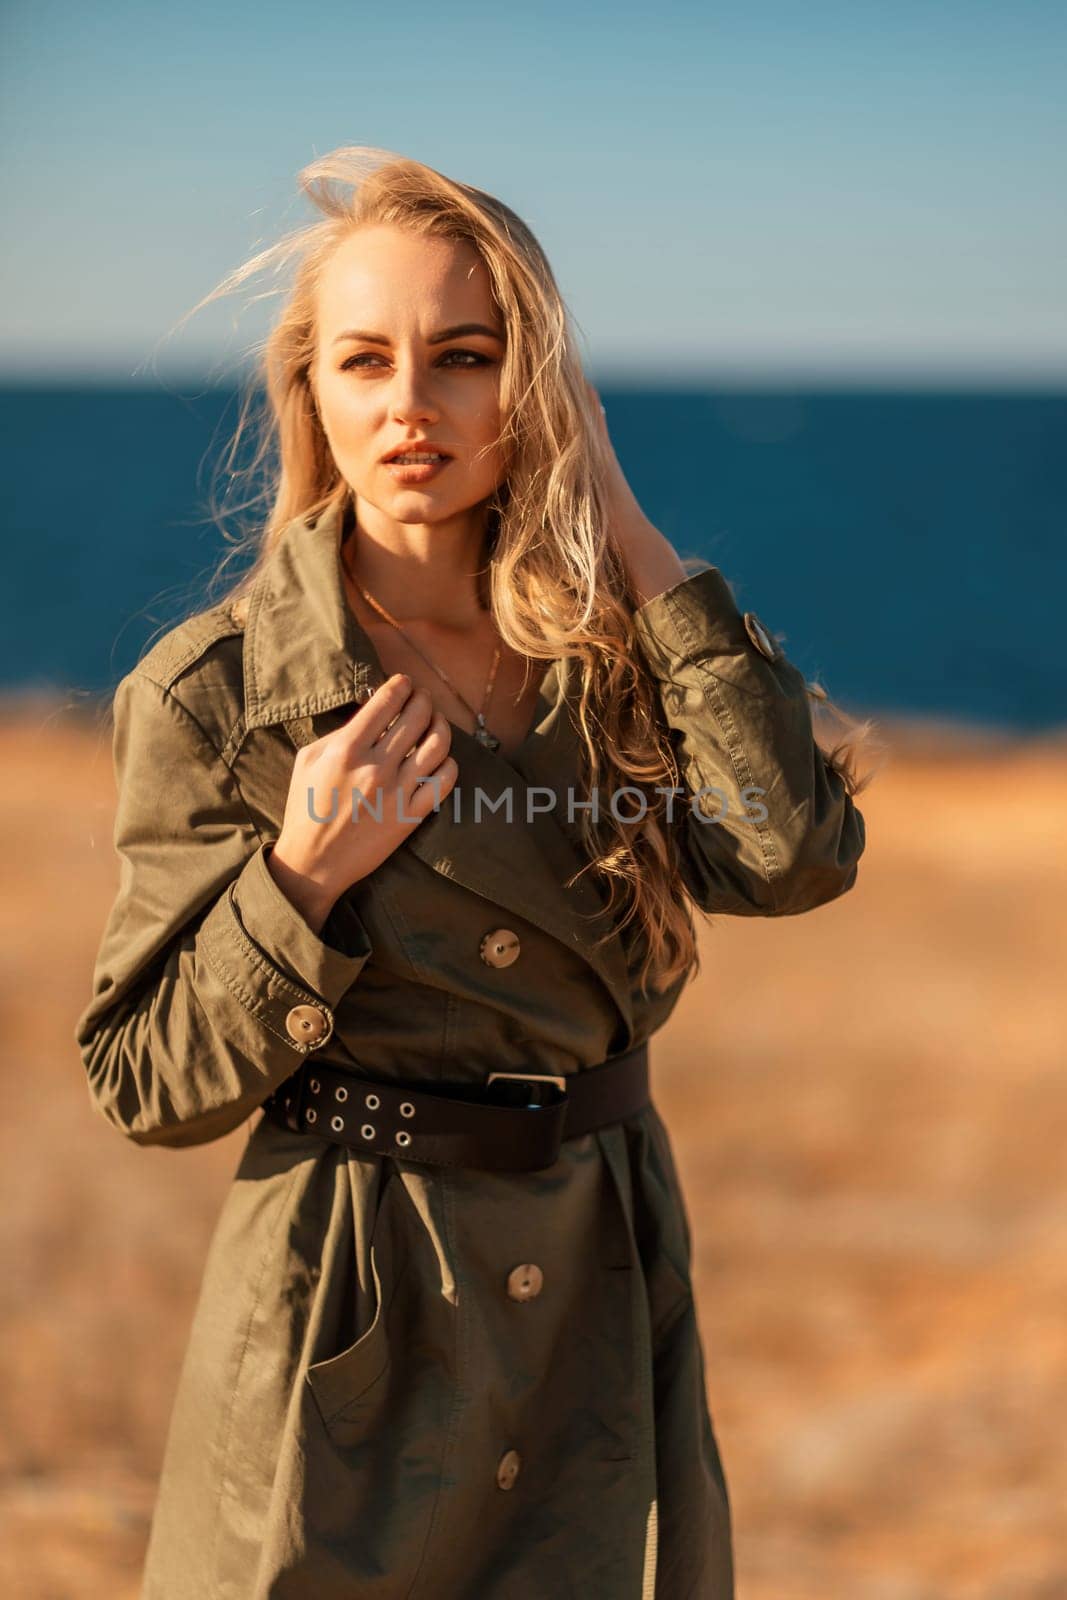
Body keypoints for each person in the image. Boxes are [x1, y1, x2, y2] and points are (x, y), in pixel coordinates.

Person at [74, 147, 874, 1600]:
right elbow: (144, 1080)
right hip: (350, 1297)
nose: (409, 407)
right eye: (365, 361)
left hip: (598, 1279)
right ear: (308, 389)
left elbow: (795, 856)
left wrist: (625, 525)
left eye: (465, 357)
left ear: (538, 388)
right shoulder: (216, 695)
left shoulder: (617, 656)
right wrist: (301, 878)